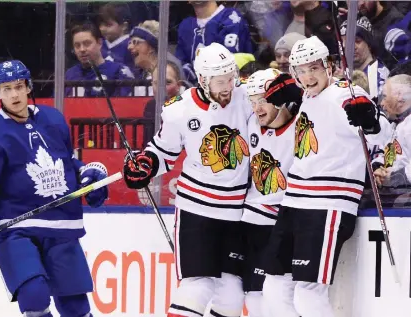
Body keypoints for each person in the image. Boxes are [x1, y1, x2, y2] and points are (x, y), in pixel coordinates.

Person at [0, 60, 109, 317]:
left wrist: (88, 173)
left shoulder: (52, 119)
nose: (14, 94)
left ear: (28, 87)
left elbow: (67, 162)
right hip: (16, 227)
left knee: (75, 306)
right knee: (34, 294)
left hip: (61, 224)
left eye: (19, 86)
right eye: (6, 88)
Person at [261, 36, 392, 317]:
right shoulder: (307, 96)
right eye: (301, 71)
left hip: (327, 204)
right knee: (273, 287)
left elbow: (384, 134)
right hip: (294, 202)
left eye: (314, 68)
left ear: (329, 66)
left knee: (308, 295)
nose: (308, 77)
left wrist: (369, 120)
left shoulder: (347, 93)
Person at [123, 43, 251, 317]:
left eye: (231, 78)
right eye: (221, 81)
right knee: (198, 285)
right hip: (198, 210)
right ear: (203, 80)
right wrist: (146, 164)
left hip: (237, 212)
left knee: (231, 296)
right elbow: (163, 152)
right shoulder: (179, 110)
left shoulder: (248, 96)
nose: (228, 86)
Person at [241, 69, 302, 317]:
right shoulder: (250, 123)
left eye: (262, 100)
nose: (257, 108)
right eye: (252, 101)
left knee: (278, 297)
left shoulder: (301, 125)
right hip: (250, 220)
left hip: (282, 223)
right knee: (253, 297)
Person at [175, 0, 254, 83]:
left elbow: (226, 62)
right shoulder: (185, 25)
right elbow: (180, 64)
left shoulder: (232, 18)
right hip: (196, 89)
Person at [66, 23, 134, 97]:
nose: (82, 49)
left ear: (99, 43)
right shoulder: (69, 74)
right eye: (77, 46)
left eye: (87, 44)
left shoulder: (118, 71)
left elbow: (125, 105)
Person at [374, 74, 411, 188]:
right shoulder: (396, 125)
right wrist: (379, 169)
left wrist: (395, 177)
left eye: (385, 96)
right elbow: (390, 157)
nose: (382, 103)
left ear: (399, 97)